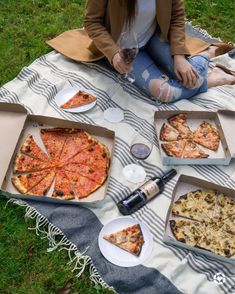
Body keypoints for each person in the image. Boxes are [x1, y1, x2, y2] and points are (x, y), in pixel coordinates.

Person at [82, 0, 235, 103]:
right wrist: (113, 53)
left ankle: (206, 55)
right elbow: (92, 22)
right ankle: (212, 75)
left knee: (192, 77)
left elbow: (176, 17)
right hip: (122, 50)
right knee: (165, 93)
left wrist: (179, 56)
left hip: (154, 37)